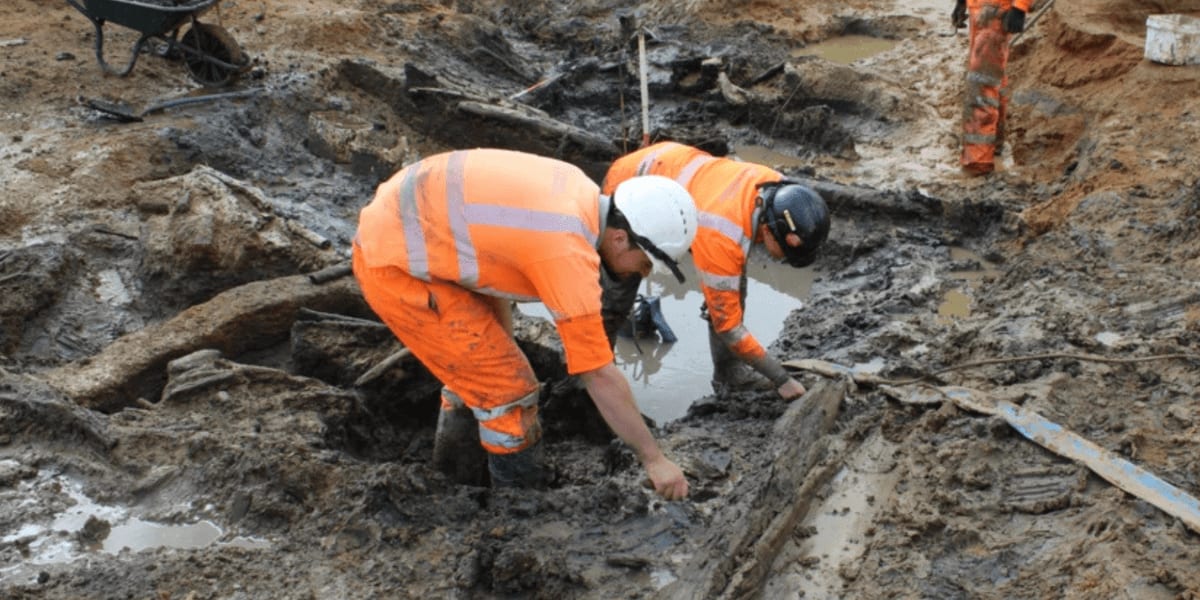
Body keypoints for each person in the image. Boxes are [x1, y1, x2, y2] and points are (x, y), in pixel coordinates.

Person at [351, 148, 698, 500]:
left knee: (485, 370)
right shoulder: (567, 253)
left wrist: (501, 344)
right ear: (622, 238)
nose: (642, 274)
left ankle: (456, 477)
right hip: (397, 263)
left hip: (416, 226)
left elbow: (491, 262)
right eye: (645, 264)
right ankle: (518, 507)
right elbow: (598, 375)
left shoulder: (578, 191)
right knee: (508, 394)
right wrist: (654, 460)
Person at [601, 142, 830, 401]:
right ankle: (597, 381)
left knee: (729, 290)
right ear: (768, 230)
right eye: (787, 255)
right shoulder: (722, 235)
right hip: (627, 189)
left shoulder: (778, 190)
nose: (785, 261)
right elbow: (729, 327)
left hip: (670, 168)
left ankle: (729, 373)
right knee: (615, 296)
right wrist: (782, 379)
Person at [952, 0, 1032, 176]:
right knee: (991, 81)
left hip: (997, 12)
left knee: (981, 88)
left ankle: (977, 163)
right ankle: (993, 145)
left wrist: (1020, 7)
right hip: (980, 10)